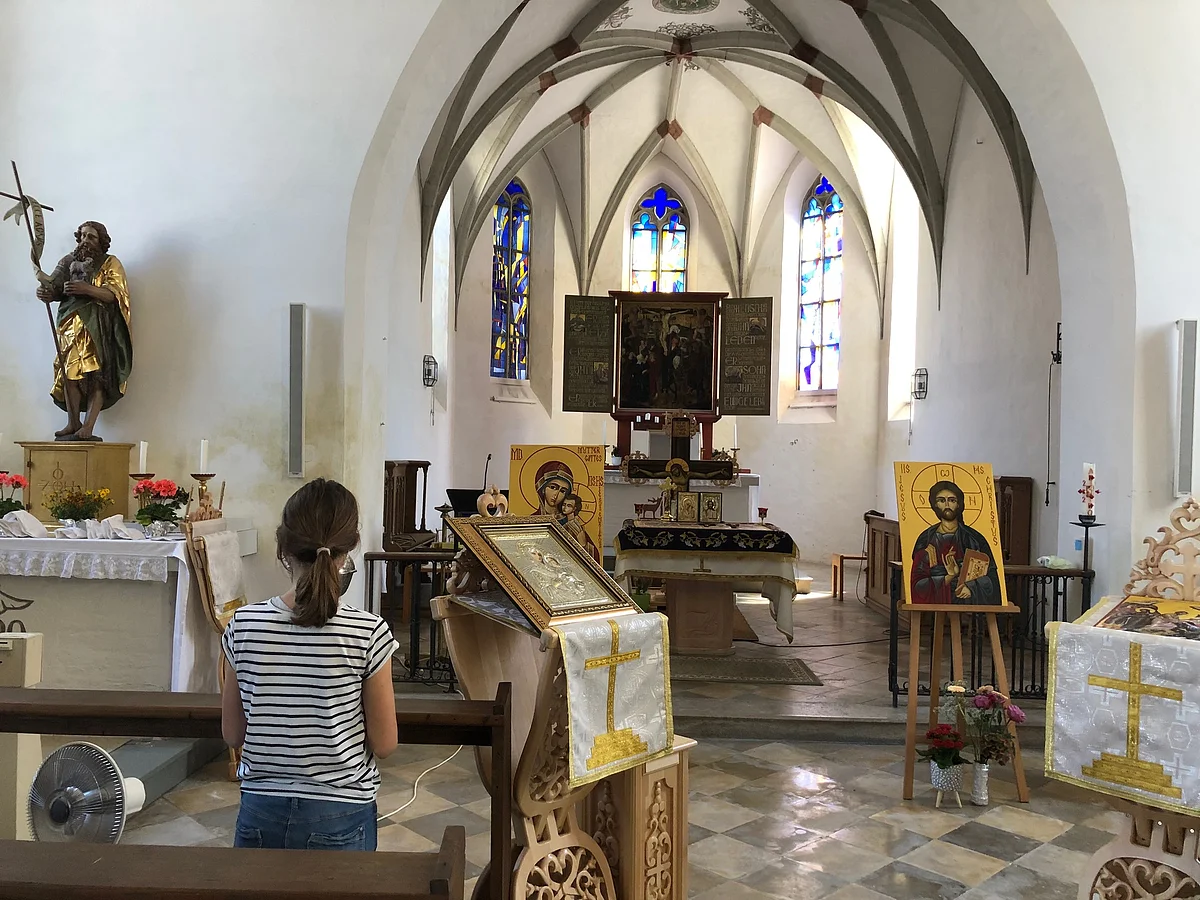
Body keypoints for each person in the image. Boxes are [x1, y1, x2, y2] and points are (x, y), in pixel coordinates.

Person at [221, 478, 399, 851]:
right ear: (348, 550)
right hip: (341, 807)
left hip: (261, 807)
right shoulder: (367, 632)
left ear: (283, 547)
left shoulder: (244, 625)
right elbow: (384, 743)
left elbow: (233, 736)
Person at [36, 222, 133, 441]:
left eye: (91, 237)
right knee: (68, 373)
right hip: (69, 326)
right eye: (82, 236)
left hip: (96, 327)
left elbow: (114, 295)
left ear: (101, 242)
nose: (85, 241)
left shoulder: (110, 263)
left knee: (96, 376)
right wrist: (46, 292)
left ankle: (88, 426)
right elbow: (54, 285)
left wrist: (87, 289)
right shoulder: (68, 261)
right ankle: (73, 422)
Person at [910, 481, 1001, 605]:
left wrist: (971, 587)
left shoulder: (974, 538)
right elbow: (917, 583)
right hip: (938, 598)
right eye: (942, 501)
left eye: (952, 500)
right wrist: (949, 576)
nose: (947, 505)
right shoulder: (925, 540)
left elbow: (991, 577)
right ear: (935, 505)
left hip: (968, 601)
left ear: (959, 504)